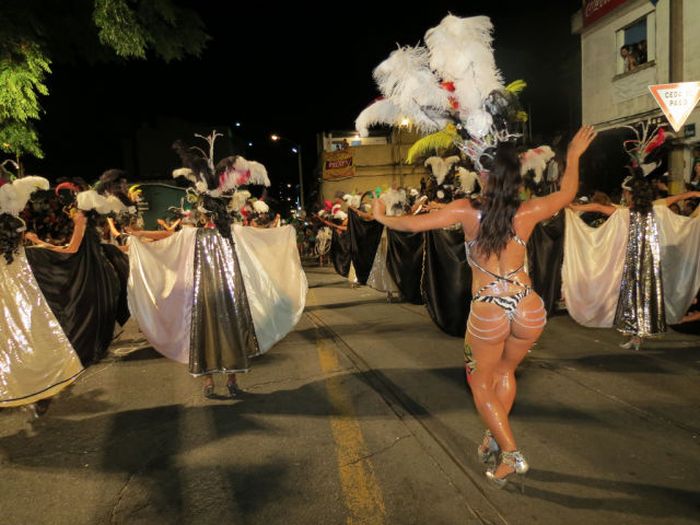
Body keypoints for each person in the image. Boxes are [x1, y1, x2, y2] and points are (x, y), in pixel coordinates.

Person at [373, 126, 597, 488]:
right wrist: (573, 155)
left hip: (489, 311)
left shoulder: (466, 211)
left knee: (479, 385)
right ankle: (495, 436)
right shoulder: (529, 210)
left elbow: (410, 224)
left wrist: (382, 215)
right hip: (529, 308)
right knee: (505, 372)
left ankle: (511, 454)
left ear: (482, 174)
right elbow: (569, 191)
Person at [571, 179, 700, 350]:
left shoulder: (626, 213)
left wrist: (575, 208)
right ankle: (637, 336)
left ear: (631, 194)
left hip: (633, 262)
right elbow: (676, 198)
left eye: (626, 193)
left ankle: (636, 335)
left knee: (634, 299)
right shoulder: (657, 208)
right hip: (651, 263)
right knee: (644, 299)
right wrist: (693, 194)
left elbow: (599, 207)